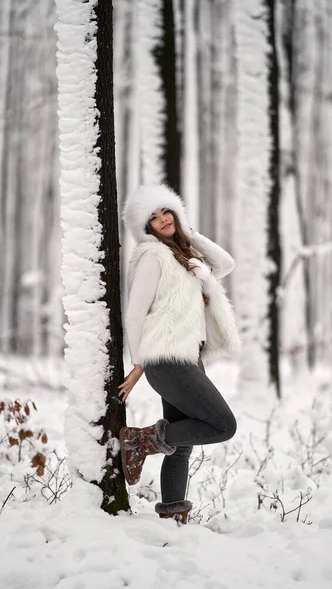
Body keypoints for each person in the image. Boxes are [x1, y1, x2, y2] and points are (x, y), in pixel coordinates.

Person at [118, 184, 241, 524]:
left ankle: (173, 516)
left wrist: (189, 233)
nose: (162, 219)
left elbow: (225, 264)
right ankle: (140, 441)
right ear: (147, 229)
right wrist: (138, 364)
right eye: (153, 218)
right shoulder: (152, 256)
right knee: (223, 425)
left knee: (182, 440)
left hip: (188, 356)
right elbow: (135, 312)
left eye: (166, 211)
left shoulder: (185, 256)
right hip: (166, 359)